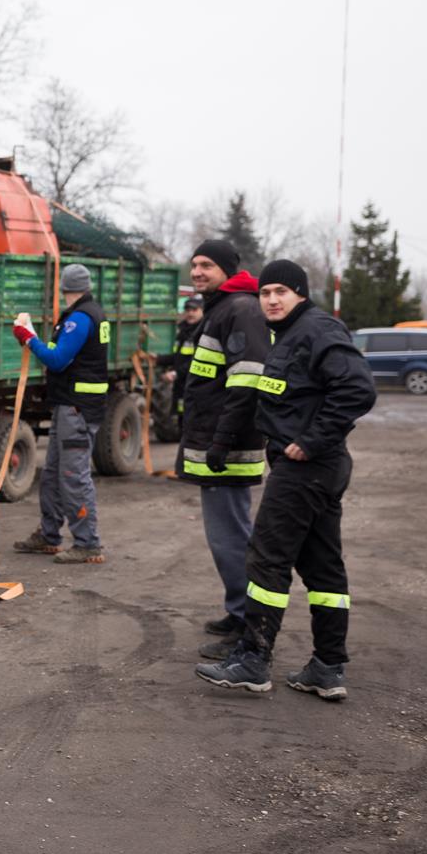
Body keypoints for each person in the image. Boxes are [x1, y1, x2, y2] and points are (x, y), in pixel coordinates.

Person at [195, 259, 377, 698]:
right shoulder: (288, 334)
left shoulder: (318, 330)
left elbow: (358, 389)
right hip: (314, 468)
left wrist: (310, 441)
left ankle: (253, 660)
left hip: (307, 468)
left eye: (281, 291)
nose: (272, 300)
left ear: (301, 293)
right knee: (321, 566)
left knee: (267, 560)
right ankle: (328, 667)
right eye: (265, 292)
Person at [175, 239, 269, 655]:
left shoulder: (240, 309)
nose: (197, 271)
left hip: (226, 450)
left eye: (207, 265)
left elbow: (247, 382)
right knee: (224, 538)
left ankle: (250, 627)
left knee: (230, 539)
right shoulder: (223, 307)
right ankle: (237, 609)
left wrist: (222, 441)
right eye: (195, 264)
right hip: (215, 444)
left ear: (227, 270)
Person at [9, 263, 109, 565]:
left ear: (63, 287)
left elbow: (57, 359)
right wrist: (34, 338)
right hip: (71, 405)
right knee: (52, 473)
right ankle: (49, 535)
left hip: (77, 409)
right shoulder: (88, 313)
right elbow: (59, 351)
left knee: (73, 476)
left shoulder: (79, 318)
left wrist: (28, 338)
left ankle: (88, 543)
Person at [157, 295, 205, 430]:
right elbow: (178, 357)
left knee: (193, 421)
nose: (190, 313)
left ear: (202, 311)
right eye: (188, 310)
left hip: (195, 384)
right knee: (182, 417)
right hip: (181, 386)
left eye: (194, 310)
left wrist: (176, 373)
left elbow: (198, 361)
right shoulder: (183, 331)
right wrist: (159, 359)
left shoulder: (203, 333)